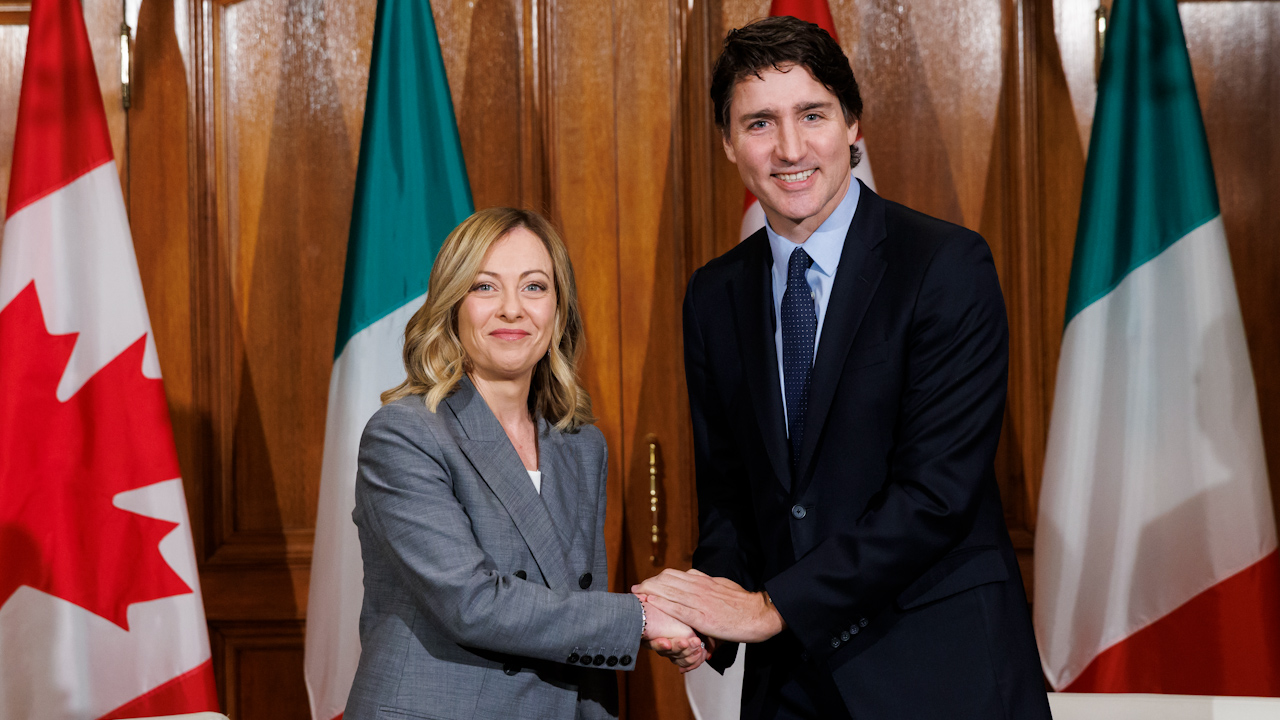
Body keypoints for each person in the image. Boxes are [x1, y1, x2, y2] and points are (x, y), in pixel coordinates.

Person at [635, 16, 1052, 720]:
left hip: (939, 674)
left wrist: (773, 606)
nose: (790, 148)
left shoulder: (945, 266)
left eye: (813, 115)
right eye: (760, 122)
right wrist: (702, 614)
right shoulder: (714, 294)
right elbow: (734, 500)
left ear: (853, 126)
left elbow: (936, 496)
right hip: (790, 689)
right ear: (729, 143)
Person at [344, 207, 704, 720]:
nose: (512, 309)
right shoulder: (405, 433)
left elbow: (572, 604)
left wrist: (654, 628)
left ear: (558, 311)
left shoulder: (582, 446)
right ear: (452, 306)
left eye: (534, 287)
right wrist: (640, 620)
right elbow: (473, 603)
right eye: (485, 287)